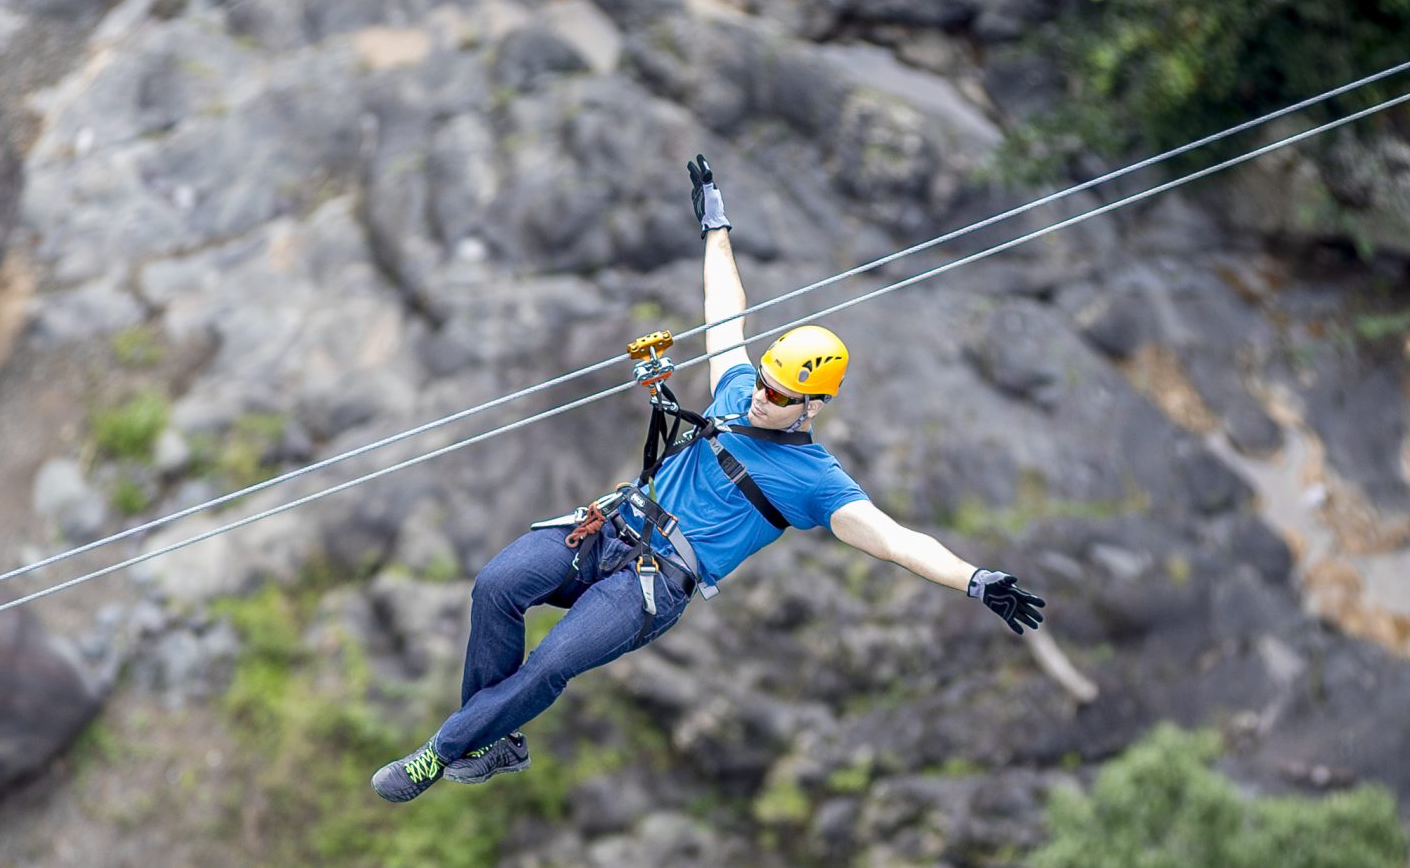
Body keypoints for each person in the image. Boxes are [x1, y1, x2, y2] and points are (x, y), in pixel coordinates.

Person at [370, 156, 1048, 803]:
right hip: (609, 528)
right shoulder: (738, 388)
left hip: (652, 584)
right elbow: (727, 311)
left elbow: (896, 541)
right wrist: (715, 224)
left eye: (781, 397)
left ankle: (438, 753)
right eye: (766, 382)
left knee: (551, 664)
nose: (762, 397)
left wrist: (974, 579)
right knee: (496, 586)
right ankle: (497, 739)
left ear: (814, 407)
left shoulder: (815, 481)